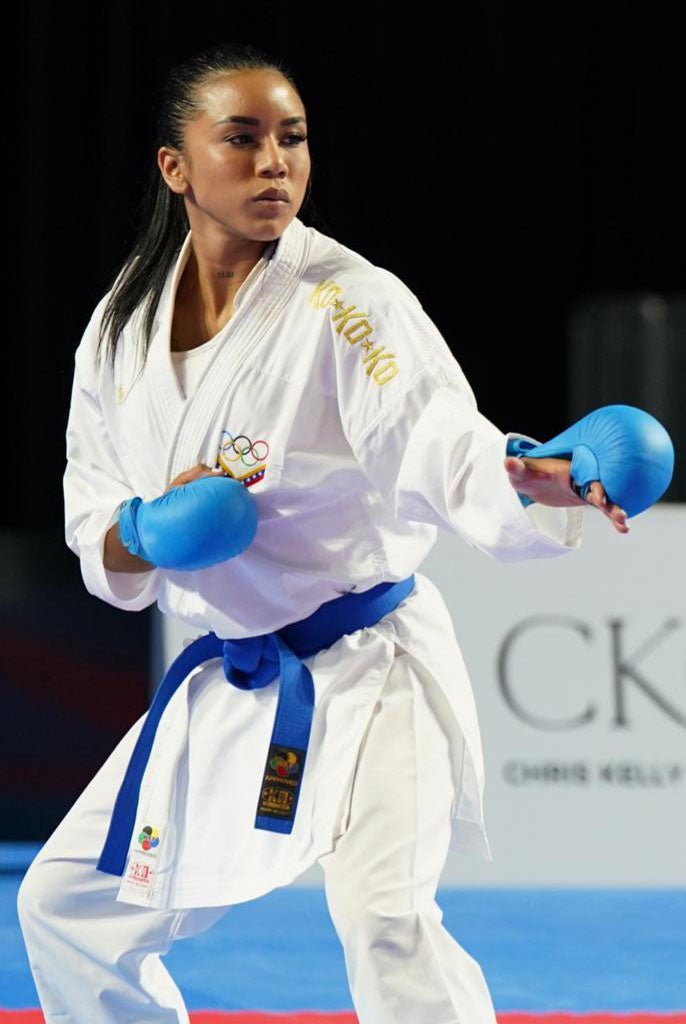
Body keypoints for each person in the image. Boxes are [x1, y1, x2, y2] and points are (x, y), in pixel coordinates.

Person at [17, 42, 629, 1024]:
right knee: (67, 906)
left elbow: (432, 434)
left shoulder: (350, 300)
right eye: (242, 139)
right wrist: (148, 528)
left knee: (387, 919)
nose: (275, 163)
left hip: (373, 669)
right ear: (176, 167)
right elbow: (96, 523)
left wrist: (526, 474)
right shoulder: (121, 328)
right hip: (233, 678)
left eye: (292, 139)